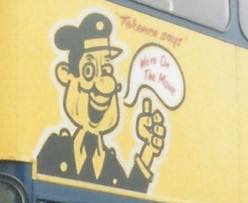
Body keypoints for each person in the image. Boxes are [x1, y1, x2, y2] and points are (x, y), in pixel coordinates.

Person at [35, 13, 165, 192]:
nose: (104, 86)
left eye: (106, 70)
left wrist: (148, 149)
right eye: (89, 71)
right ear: (66, 74)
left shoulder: (110, 162)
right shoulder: (56, 148)